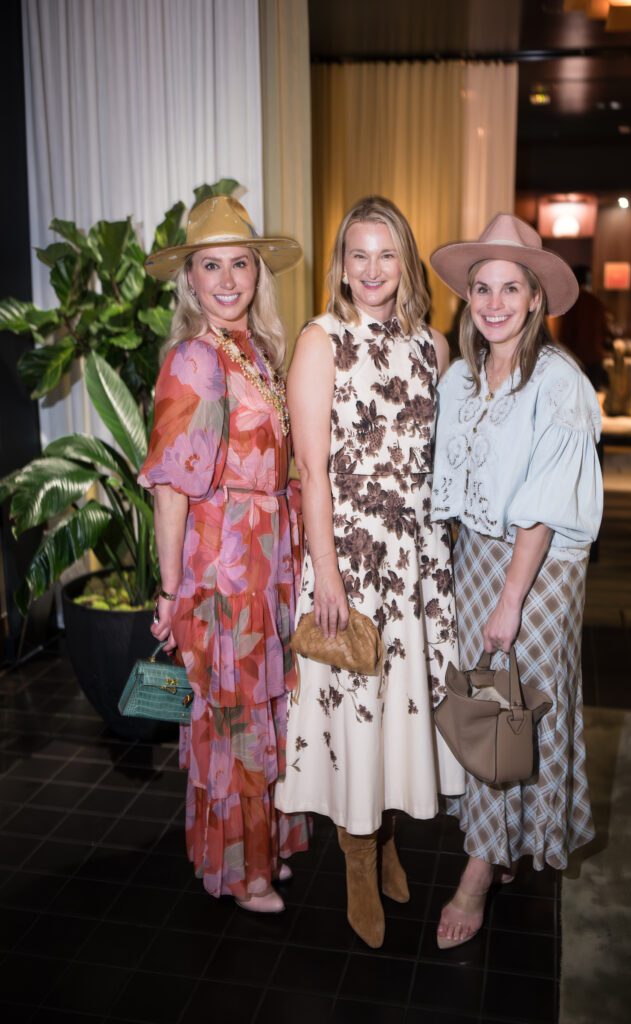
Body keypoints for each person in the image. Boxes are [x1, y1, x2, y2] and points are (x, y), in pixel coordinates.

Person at [275, 195, 464, 948]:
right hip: (351, 560)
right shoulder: (321, 342)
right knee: (355, 708)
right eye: (359, 254)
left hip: (417, 563)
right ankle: (356, 857)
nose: (373, 269)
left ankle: (385, 838)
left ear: (406, 262)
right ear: (341, 265)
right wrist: (326, 571)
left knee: (397, 710)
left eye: (388, 254)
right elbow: (312, 471)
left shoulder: (434, 346)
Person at [430, 214, 603, 949]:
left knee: (514, 703)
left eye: (510, 287)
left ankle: (476, 873)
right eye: (481, 288)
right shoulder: (462, 378)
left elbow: (540, 507)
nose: (494, 302)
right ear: (468, 298)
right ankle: (495, 848)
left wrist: (508, 601)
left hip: (536, 572)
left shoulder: (558, 382)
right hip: (478, 558)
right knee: (491, 708)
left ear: (536, 298)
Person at [139, 195, 310, 913]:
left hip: (265, 560)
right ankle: (245, 871)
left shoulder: (257, 351)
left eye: (240, 263)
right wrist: (171, 589)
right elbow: (172, 489)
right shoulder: (195, 360)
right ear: (190, 280)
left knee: (261, 709)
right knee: (235, 715)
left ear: (257, 273)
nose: (229, 278)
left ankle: (263, 846)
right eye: (211, 265)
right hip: (226, 568)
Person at [551, 264, 610, 389]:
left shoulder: (570, 304)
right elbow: (605, 331)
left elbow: (564, 334)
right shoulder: (596, 302)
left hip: (575, 358)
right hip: (595, 358)